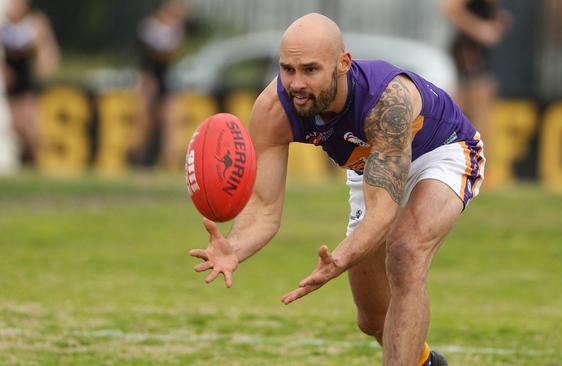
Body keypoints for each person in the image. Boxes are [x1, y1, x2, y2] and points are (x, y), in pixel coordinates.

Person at [189, 13, 485, 366]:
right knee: (373, 319)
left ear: (343, 63)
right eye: (288, 69)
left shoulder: (386, 103)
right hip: (370, 166)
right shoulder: (273, 109)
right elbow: (265, 208)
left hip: (442, 151)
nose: (296, 83)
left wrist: (340, 259)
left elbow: (383, 211)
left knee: (405, 252)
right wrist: (234, 248)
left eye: (310, 70)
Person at [442, 0, 510, 157]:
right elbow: (449, 8)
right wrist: (480, 29)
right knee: (466, 113)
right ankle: (469, 162)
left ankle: (478, 163)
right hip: (466, 57)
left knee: (480, 114)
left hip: (477, 58)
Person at [1, 0, 59, 165]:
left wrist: (45, 60)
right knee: (12, 129)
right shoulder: (3, 22)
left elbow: (47, 52)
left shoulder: (35, 21)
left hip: (27, 86)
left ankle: (33, 163)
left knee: (30, 130)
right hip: (7, 89)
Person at [132, 0, 189, 167]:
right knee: (144, 123)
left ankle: (170, 161)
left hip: (164, 80)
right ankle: (137, 159)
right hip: (148, 80)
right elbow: (161, 51)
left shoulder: (174, 28)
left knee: (172, 121)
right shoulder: (150, 27)